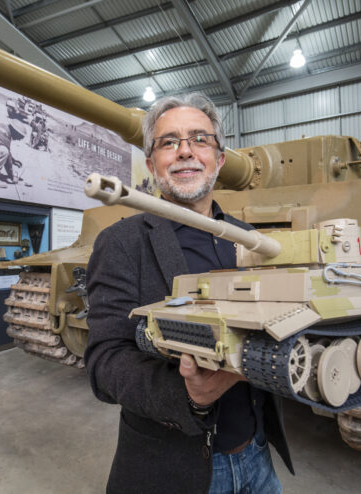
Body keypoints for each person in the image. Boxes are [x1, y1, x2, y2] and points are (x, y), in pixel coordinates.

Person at [84, 93, 293, 494]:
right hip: (173, 469)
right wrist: (189, 394)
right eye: (168, 142)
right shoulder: (122, 243)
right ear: (151, 164)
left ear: (220, 158)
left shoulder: (253, 241)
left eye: (200, 139)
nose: (185, 152)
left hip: (258, 453)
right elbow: (103, 363)